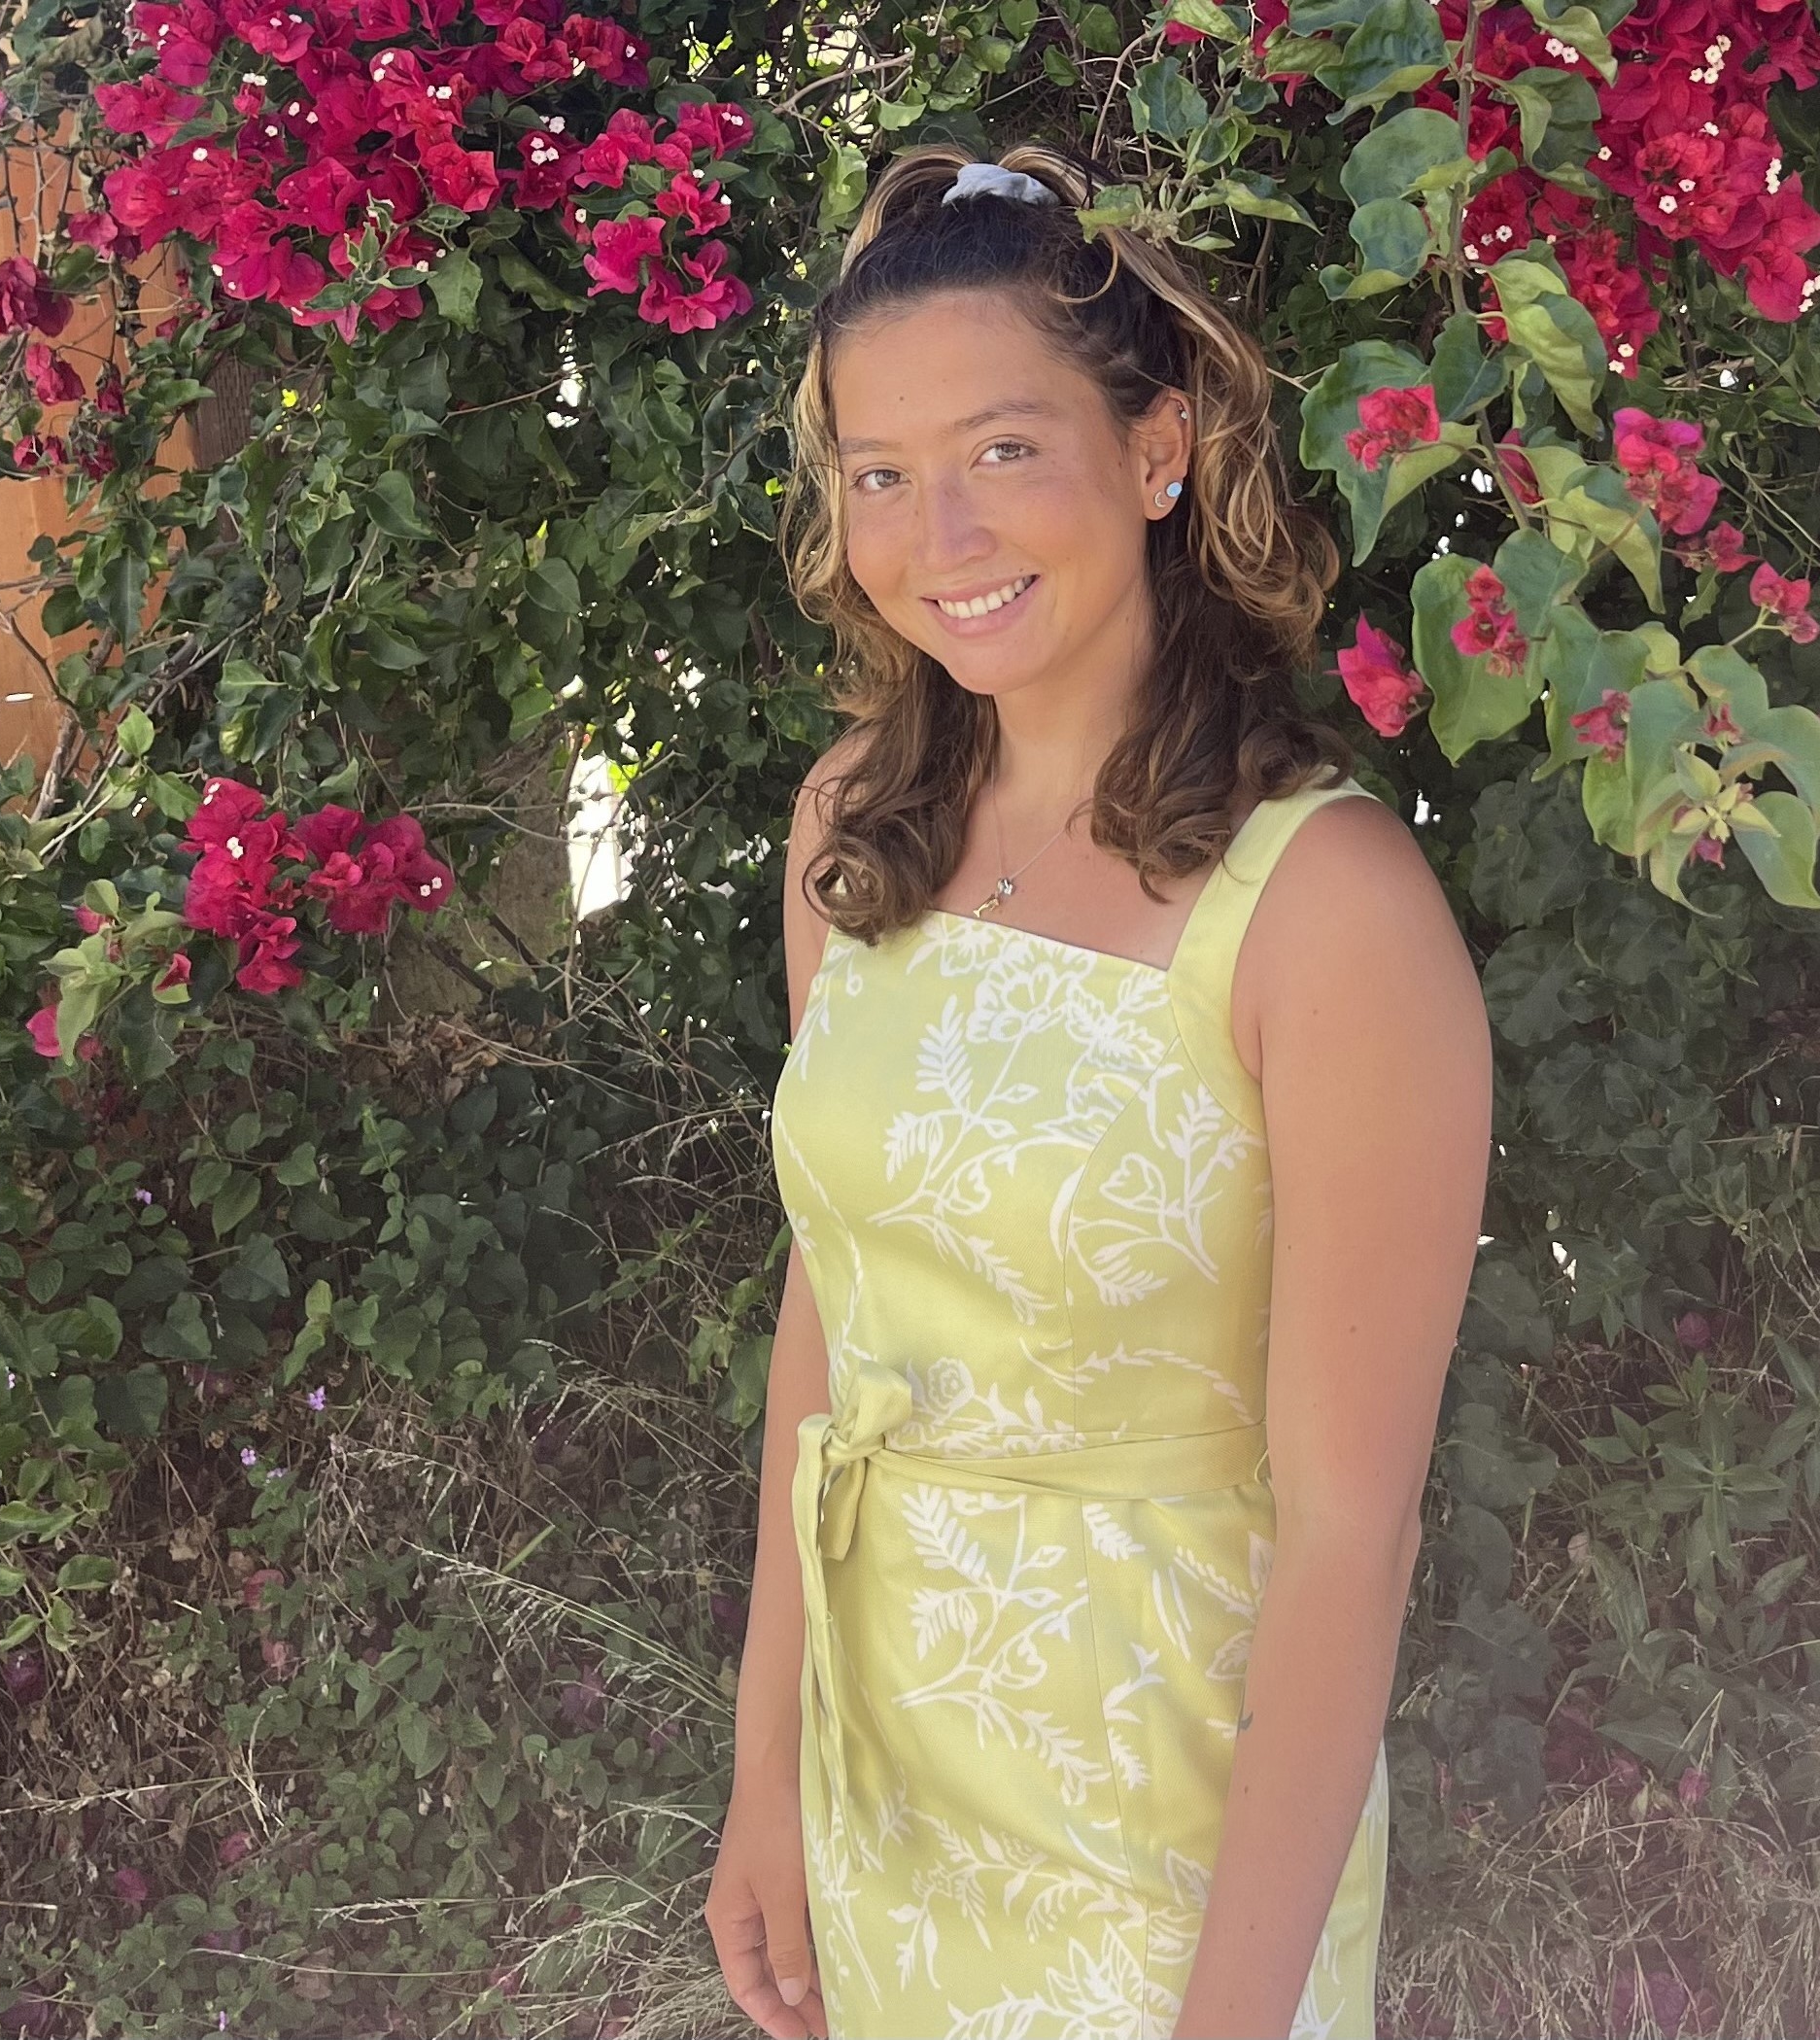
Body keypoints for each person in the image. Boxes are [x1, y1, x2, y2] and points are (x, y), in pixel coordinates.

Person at [702, 140, 1493, 2040]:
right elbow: (838, 1303)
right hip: (886, 1775)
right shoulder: (851, 833)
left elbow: (1348, 1534)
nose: (939, 536)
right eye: (879, 477)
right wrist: (763, 1776)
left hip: (1173, 1840)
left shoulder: (1327, 914)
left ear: (1157, 450)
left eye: (1000, 452)